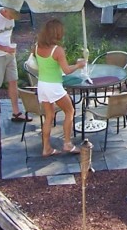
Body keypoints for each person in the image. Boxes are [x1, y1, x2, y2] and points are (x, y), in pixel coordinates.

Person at [32, 18, 86, 156]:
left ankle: (46, 148)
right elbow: (67, 70)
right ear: (57, 33)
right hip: (54, 86)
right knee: (70, 111)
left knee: (49, 116)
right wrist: (79, 65)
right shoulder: (57, 50)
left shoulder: (37, 46)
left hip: (42, 85)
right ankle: (67, 144)